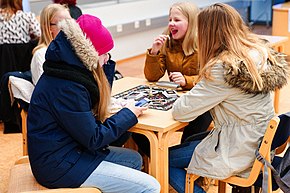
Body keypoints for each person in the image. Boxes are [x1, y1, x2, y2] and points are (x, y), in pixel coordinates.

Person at [27, 14, 160, 193]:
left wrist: (104, 68)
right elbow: (94, 139)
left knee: (133, 159)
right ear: (89, 53)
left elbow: (95, 113)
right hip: (58, 165)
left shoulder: (69, 71)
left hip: (69, 151)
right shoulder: (68, 86)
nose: (107, 59)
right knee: (151, 187)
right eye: (104, 54)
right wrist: (128, 114)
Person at [169, 3, 289, 193]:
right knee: (192, 140)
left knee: (166, 159)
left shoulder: (222, 69)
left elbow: (181, 111)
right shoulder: (256, 53)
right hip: (257, 141)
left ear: (209, 34)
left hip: (238, 148)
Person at [132, 2, 212, 157]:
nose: (171, 24)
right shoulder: (167, 41)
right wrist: (154, 52)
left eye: (177, 20)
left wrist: (186, 81)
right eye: (170, 20)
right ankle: (162, 161)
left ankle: (178, 160)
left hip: (202, 100)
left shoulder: (204, 43)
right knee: (139, 125)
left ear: (191, 23)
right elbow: (152, 77)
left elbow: (211, 78)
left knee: (197, 124)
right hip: (176, 97)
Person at [31, 3, 71, 85]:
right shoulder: (41, 54)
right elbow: (46, 87)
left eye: (71, 22)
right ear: (49, 28)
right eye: (64, 24)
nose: (70, 27)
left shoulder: (69, 48)